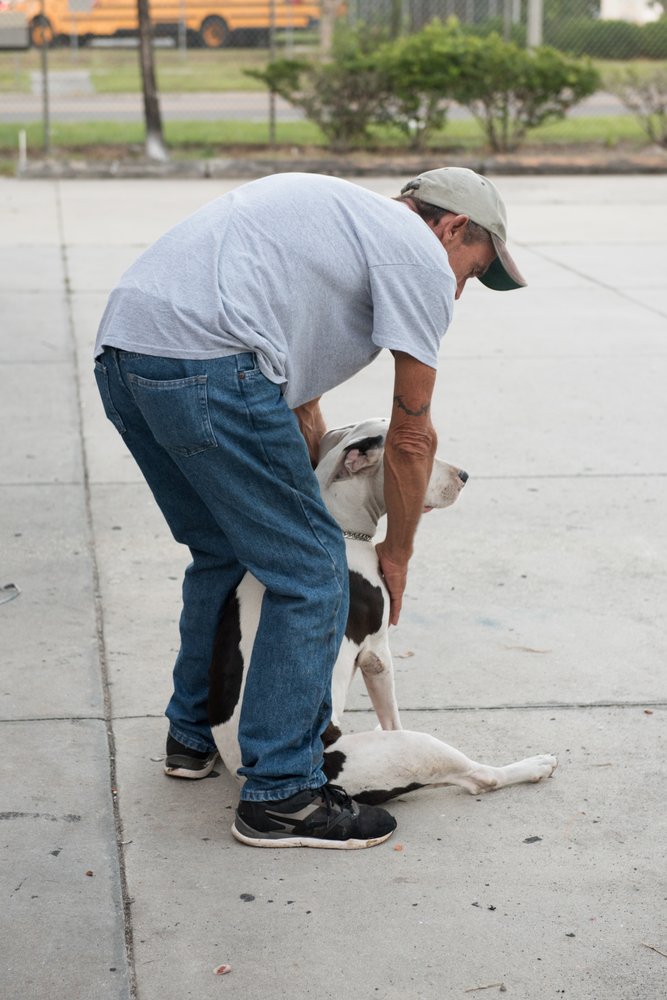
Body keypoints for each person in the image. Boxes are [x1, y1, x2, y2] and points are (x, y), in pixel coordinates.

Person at [94, 167, 525, 850]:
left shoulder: (338, 218)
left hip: (126, 352)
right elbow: (410, 436)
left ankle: (191, 738)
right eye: (470, 273)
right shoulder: (415, 256)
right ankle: (282, 795)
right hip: (210, 363)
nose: (457, 290)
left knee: (223, 552)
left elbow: (298, 401)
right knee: (315, 572)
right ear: (452, 227)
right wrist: (396, 554)